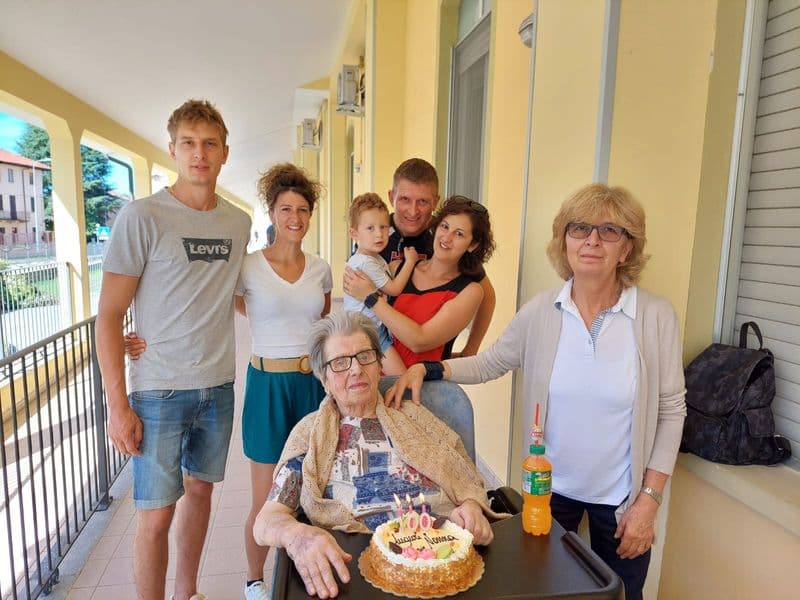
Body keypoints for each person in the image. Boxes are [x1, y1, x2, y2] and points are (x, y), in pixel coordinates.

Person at [387, 183, 687, 600]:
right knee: (543, 589)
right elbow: (492, 362)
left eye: (610, 231)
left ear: (628, 248)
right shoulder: (543, 311)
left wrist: (649, 502)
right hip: (547, 494)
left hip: (624, 502)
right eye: (579, 229)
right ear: (564, 241)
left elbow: (672, 411)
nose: (592, 241)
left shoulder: (654, 317)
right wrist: (430, 368)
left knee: (621, 595)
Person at [96, 99, 251, 600]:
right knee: (154, 514)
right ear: (172, 150)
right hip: (158, 391)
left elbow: (237, 292)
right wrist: (117, 404)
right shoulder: (142, 217)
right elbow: (109, 314)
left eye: (209, 143)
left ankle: (188, 594)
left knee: (201, 495)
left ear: (224, 153)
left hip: (218, 388)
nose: (199, 153)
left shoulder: (238, 222)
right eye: (188, 142)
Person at [252, 311, 504, 599]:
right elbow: (267, 521)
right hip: (357, 573)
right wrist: (297, 537)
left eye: (364, 356)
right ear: (323, 379)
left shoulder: (417, 418)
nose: (356, 369)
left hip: (443, 564)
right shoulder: (310, 435)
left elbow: (468, 479)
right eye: (340, 363)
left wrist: (472, 507)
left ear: (378, 365)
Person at [236, 162, 332, 600]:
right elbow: (236, 307)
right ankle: (255, 582)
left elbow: (321, 320)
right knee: (267, 493)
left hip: (312, 385)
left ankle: (310, 575)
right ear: (272, 213)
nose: (295, 217)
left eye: (303, 209)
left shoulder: (321, 268)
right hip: (267, 387)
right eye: (286, 208)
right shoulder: (249, 267)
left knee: (314, 488)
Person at [344, 196, 495, 368]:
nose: (446, 238)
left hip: (423, 389)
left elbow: (419, 342)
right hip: (371, 379)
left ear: (472, 245)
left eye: (459, 234)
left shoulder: (469, 291)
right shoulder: (397, 269)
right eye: (444, 227)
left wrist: (370, 298)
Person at [382, 158, 495, 356]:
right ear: (392, 197)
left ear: (435, 201)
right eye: (405, 199)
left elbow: (487, 297)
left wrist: (470, 350)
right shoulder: (375, 231)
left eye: (423, 202)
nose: (413, 211)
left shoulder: (443, 233)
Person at [343, 192, 418, 375]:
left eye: (384, 227)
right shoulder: (365, 262)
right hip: (370, 334)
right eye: (370, 228)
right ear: (354, 233)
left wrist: (391, 269)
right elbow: (394, 289)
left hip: (371, 329)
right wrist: (410, 262)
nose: (379, 234)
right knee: (401, 378)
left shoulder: (373, 258)